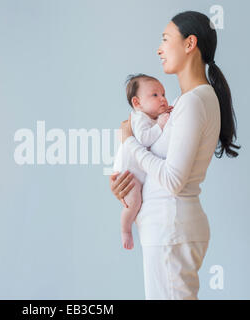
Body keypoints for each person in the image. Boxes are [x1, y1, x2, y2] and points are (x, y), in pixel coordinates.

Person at [110, 11, 240, 299]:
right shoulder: (186, 103)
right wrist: (126, 181)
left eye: (165, 39)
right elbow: (160, 169)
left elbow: (172, 180)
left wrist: (129, 142)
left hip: (171, 229)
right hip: (167, 230)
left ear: (189, 43)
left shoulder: (193, 102)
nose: (159, 48)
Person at [112, 74, 172, 250]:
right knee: (134, 202)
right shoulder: (139, 118)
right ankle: (126, 229)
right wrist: (160, 124)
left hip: (135, 173)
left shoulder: (150, 117)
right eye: (155, 95)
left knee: (136, 200)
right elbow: (145, 139)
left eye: (163, 94)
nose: (162, 99)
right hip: (128, 174)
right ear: (137, 103)